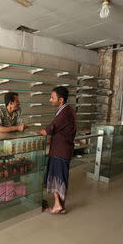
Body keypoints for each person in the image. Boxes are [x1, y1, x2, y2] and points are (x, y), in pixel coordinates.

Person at [37, 86, 76, 214]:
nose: (50, 100)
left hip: (59, 151)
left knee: (55, 177)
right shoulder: (67, 110)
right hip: (63, 150)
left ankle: (58, 205)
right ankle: (61, 206)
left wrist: (37, 131)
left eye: (52, 97)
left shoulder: (64, 113)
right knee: (61, 178)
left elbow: (49, 130)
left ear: (61, 100)